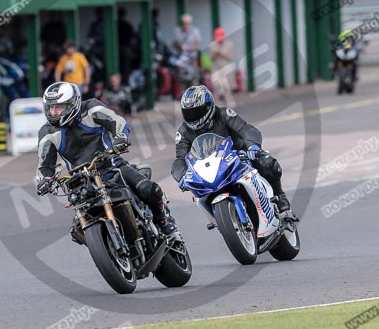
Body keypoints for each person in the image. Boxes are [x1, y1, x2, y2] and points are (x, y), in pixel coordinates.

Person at [36, 82, 177, 235]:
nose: (54, 112)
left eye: (59, 107)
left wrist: (121, 137)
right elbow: (45, 165)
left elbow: (119, 122)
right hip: (81, 182)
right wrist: (44, 180)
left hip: (112, 165)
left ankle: (164, 219)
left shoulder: (92, 108)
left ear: (72, 104)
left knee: (148, 189)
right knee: (77, 231)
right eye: (51, 108)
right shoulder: (46, 133)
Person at [171, 85, 296, 217]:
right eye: (188, 113)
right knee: (199, 195)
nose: (192, 117)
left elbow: (247, 130)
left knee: (267, 163)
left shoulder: (224, 114)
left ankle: (279, 195)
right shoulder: (183, 131)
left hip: (238, 157)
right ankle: (221, 219)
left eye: (196, 112)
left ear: (208, 106)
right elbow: (180, 159)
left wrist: (253, 146)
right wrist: (183, 176)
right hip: (209, 168)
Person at [172, 14, 202, 91]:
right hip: (181, 58)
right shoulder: (177, 31)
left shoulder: (195, 31)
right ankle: (184, 95)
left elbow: (198, 45)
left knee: (194, 77)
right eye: (184, 23)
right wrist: (181, 46)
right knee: (182, 78)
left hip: (192, 58)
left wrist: (190, 49)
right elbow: (174, 44)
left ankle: (195, 96)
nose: (185, 25)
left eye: (187, 23)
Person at [207, 27, 235, 103]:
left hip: (226, 67)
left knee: (226, 85)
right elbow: (211, 58)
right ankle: (217, 102)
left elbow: (230, 57)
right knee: (215, 85)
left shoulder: (229, 44)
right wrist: (215, 53)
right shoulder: (212, 45)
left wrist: (221, 53)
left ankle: (229, 100)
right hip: (216, 67)